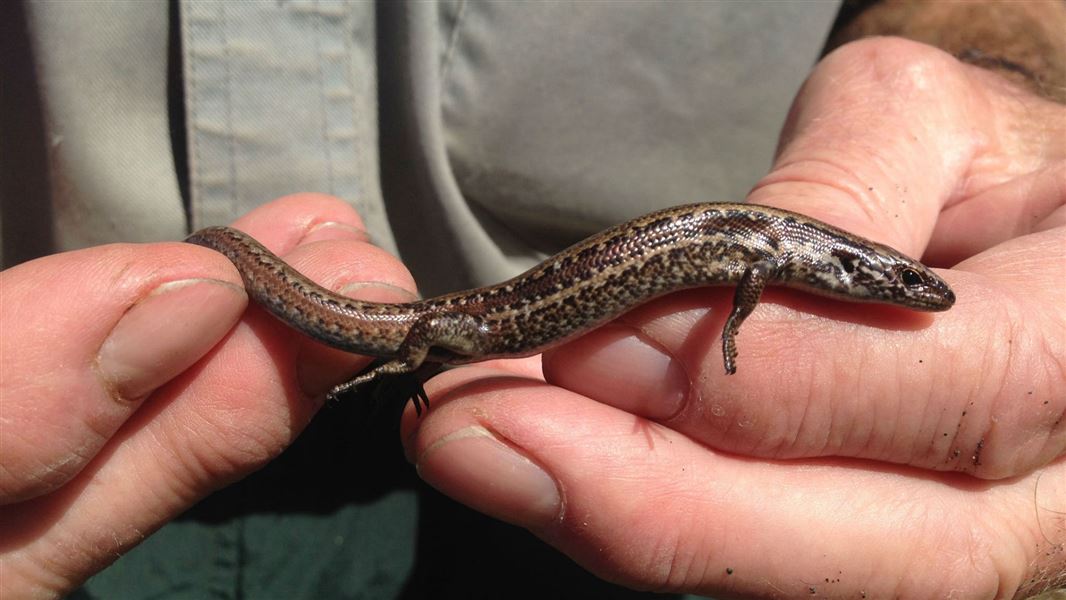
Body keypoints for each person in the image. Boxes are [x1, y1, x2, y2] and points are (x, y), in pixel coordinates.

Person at [2, 2, 1063, 598]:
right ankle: (308, 306)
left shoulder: (787, 249)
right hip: (119, 430)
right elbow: (743, 282)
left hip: (579, 467)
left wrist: (1004, 73)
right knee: (425, 339)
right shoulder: (766, 257)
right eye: (900, 285)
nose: (907, 295)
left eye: (906, 288)